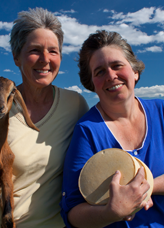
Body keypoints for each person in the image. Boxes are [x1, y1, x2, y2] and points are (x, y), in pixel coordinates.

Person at [0, 7, 89, 228]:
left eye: (53, 51)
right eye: (35, 50)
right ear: (16, 57)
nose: (45, 59)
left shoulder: (75, 104)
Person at [60, 30, 164, 228]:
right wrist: (111, 213)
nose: (110, 75)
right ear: (92, 83)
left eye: (117, 65)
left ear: (135, 71)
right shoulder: (87, 131)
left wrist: (147, 188)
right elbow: (72, 212)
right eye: (99, 72)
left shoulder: (161, 111)